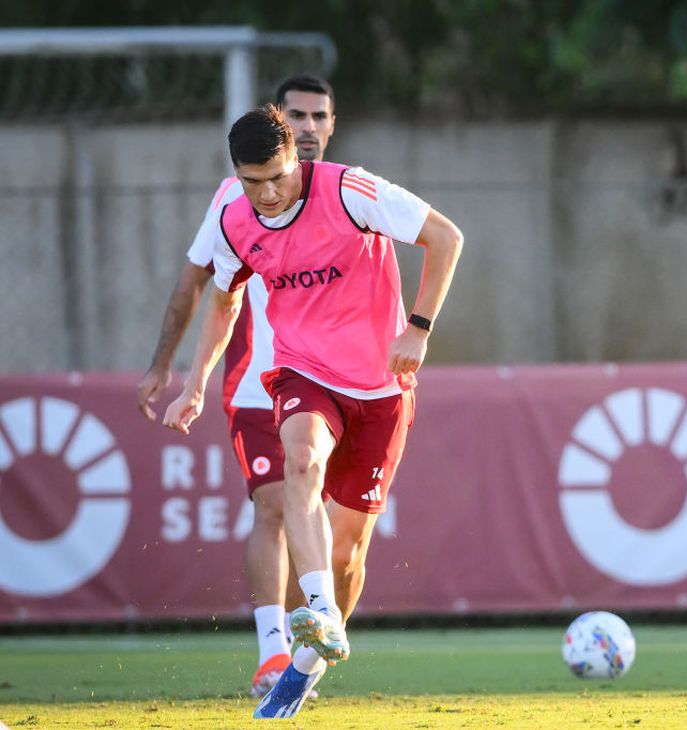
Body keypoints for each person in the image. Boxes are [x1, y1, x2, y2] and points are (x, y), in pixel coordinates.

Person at [162, 103, 463, 719]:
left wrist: (419, 328)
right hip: (303, 372)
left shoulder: (351, 191)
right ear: (237, 175)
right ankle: (320, 609)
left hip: (382, 386)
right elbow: (223, 301)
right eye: (253, 182)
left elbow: (446, 237)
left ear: (295, 158)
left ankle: (305, 665)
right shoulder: (234, 220)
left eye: (278, 176)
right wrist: (195, 383)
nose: (268, 194)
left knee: (348, 552)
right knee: (299, 462)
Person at [137, 75, 338, 699]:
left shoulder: (347, 193)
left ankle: (313, 648)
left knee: (335, 529)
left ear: (332, 124)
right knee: (275, 506)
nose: (308, 126)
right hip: (260, 382)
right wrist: (170, 369)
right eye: (297, 115)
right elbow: (199, 284)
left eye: (319, 116)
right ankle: (272, 654)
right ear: (279, 125)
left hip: (339, 386)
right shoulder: (234, 201)